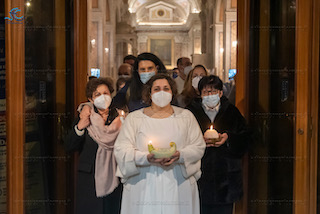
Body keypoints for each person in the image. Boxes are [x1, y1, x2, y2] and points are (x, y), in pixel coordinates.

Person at [114, 74, 206, 214]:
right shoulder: (134, 118)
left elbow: (198, 146)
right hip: (143, 181)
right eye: (157, 89)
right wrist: (146, 158)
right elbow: (121, 150)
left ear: (172, 92)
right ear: (149, 93)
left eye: (166, 88)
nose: (161, 92)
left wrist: (179, 155)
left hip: (178, 181)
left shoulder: (186, 117)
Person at [186, 75, 250, 214]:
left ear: (221, 93)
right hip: (200, 174)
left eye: (214, 92)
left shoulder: (231, 111)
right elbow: (181, 138)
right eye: (206, 92)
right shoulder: (190, 112)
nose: (210, 95)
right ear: (200, 93)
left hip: (226, 177)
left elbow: (245, 138)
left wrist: (228, 138)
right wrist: (198, 141)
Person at [65, 77, 123, 214]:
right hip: (89, 178)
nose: (102, 97)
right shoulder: (85, 116)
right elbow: (69, 146)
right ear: (91, 99)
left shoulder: (119, 117)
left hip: (114, 175)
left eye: (106, 93)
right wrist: (80, 127)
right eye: (97, 94)